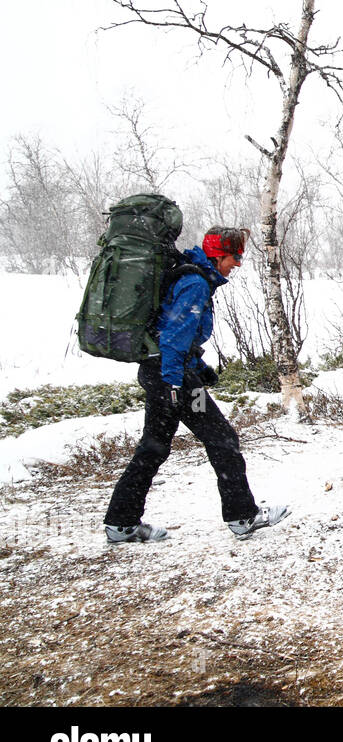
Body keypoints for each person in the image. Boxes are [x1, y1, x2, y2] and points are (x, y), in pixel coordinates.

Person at [103, 227, 290, 543]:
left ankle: (121, 523)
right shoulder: (195, 284)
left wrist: (198, 369)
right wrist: (178, 385)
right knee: (222, 438)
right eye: (235, 256)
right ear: (218, 255)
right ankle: (242, 515)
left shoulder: (191, 277)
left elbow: (172, 334)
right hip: (171, 379)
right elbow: (175, 338)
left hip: (161, 372)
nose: (238, 263)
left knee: (154, 447)